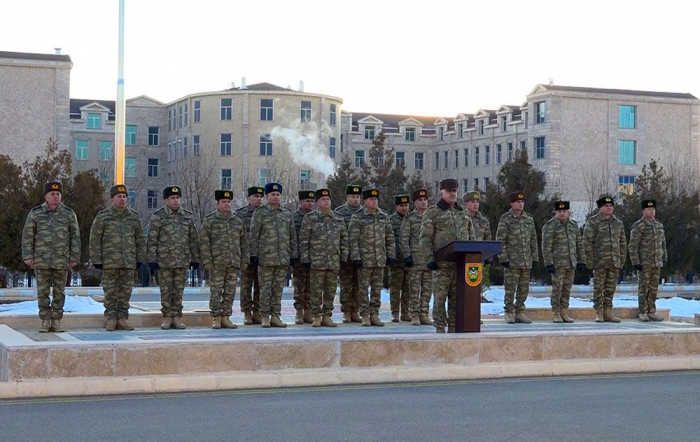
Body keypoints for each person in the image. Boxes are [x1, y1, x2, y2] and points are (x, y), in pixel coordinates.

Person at [21, 181, 80, 333]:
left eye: (58, 194)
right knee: (43, 291)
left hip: (62, 258)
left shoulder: (68, 213)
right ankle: (45, 320)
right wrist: (28, 255)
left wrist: (74, 256)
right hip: (41, 259)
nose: (55, 196)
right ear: (46, 196)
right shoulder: (36, 213)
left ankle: (57, 320)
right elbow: (28, 235)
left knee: (60, 291)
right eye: (52, 194)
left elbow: (75, 236)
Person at [419, 179, 474, 333]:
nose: (452, 194)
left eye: (455, 191)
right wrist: (429, 259)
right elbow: (425, 238)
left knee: (457, 299)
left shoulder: (462, 212)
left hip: (460, 264)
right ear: (441, 192)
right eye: (449, 191)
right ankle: (440, 328)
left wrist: (473, 256)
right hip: (441, 264)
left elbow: (471, 236)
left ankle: (454, 326)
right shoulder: (433, 212)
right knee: (440, 298)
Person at [89, 185, 146, 331]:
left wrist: (140, 258)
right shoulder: (103, 216)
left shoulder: (133, 217)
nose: (122, 199)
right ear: (112, 199)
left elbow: (139, 239)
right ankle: (111, 318)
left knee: (125, 291)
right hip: (109, 262)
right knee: (110, 291)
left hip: (128, 261)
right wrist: (97, 259)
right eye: (119, 196)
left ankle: (122, 318)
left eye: (124, 196)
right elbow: (95, 239)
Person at [147, 186, 200, 330]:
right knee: (166, 291)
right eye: (172, 198)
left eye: (177, 198)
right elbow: (152, 239)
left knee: (178, 291)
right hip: (164, 261)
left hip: (182, 260)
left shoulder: (187, 216)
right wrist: (152, 259)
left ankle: (177, 317)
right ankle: (167, 317)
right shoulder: (158, 216)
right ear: (166, 200)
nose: (176, 201)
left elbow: (193, 239)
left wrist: (195, 258)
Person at [299, 188, 348, 327]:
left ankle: (327, 315)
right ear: (317, 202)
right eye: (323, 199)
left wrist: (343, 257)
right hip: (316, 262)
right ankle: (316, 315)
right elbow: (304, 241)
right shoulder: (310, 218)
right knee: (315, 290)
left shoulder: (338, 218)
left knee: (330, 290)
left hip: (333, 261)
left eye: (328, 199)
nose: (326, 201)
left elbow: (344, 239)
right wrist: (305, 259)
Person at [250, 183, 297, 328]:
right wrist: (254, 254)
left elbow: (292, 236)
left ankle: (275, 316)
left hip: (282, 258)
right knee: (265, 289)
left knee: (277, 290)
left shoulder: (287, 213)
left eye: (278, 194)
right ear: (267, 196)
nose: (275, 197)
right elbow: (253, 235)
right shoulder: (260, 213)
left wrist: (293, 254)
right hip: (266, 258)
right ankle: (264, 316)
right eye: (272, 194)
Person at [200, 190, 248, 329]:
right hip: (217, 264)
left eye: (228, 202)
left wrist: (244, 260)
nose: (226, 204)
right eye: (223, 202)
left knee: (230, 292)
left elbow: (244, 242)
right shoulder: (210, 221)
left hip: (233, 262)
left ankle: (226, 316)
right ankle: (216, 317)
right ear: (217, 204)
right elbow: (204, 242)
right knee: (216, 291)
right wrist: (207, 261)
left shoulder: (237, 221)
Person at [349, 188, 395, 326]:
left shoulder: (383, 216)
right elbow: (353, 239)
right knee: (363, 289)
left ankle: (374, 314)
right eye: (371, 199)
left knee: (377, 289)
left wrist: (390, 254)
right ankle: (364, 314)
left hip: (379, 259)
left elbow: (389, 237)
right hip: (364, 260)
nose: (374, 201)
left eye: (376, 199)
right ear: (365, 201)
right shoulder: (357, 217)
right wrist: (355, 257)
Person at [496, 191, 539, 324]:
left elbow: (533, 239)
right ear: (512, 204)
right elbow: (501, 239)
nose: (520, 204)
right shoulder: (506, 219)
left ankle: (520, 312)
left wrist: (535, 257)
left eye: (522, 202)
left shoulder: (528, 219)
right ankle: (509, 312)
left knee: (523, 288)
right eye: (517, 202)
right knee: (510, 288)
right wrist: (503, 258)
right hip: (512, 260)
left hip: (526, 260)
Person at [583, 195, 627, 323]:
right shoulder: (593, 222)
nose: (609, 208)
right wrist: (590, 260)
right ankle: (599, 312)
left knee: (610, 288)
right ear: (600, 208)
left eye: (611, 206)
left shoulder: (618, 223)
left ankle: (608, 311)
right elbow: (587, 242)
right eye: (606, 206)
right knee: (598, 288)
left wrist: (622, 259)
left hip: (614, 261)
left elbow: (622, 242)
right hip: (599, 261)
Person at [541, 200, 585, 323]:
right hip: (557, 264)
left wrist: (581, 260)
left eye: (564, 211)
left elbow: (579, 244)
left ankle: (564, 311)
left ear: (568, 212)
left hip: (571, 263)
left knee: (567, 289)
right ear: (556, 212)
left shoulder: (573, 225)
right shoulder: (550, 226)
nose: (562, 213)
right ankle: (556, 312)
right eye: (559, 211)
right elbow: (546, 246)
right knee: (557, 289)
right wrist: (548, 262)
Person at [629, 199, 667, 322]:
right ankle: (643, 312)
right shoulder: (638, 226)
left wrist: (664, 258)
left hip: (656, 262)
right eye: (649, 209)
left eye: (653, 209)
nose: (652, 211)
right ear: (643, 211)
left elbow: (663, 243)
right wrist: (635, 261)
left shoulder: (659, 225)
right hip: (644, 263)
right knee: (643, 288)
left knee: (653, 289)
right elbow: (633, 245)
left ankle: (652, 311)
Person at [400, 188, 433, 326]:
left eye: (425, 199)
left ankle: (424, 314)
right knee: (414, 289)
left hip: (429, 260)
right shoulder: (410, 218)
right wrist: (407, 255)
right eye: (420, 200)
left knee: (427, 289)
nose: (423, 202)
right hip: (415, 260)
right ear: (414, 203)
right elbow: (404, 238)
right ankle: (414, 314)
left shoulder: (431, 217)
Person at [334, 184, 364, 323]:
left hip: (361, 255)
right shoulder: (339, 213)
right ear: (347, 197)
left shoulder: (365, 212)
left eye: (358, 197)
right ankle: (346, 311)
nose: (356, 199)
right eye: (353, 196)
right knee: (346, 284)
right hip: (345, 255)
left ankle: (355, 311)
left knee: (358, 284)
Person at [236, 186, 264, 325]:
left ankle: (257, 311)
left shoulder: (266, 213)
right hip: (246, 256)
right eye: (256, 196)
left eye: (260, 197)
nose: (259, 199)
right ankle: (247, 312)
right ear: (249, 198)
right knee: (246, 286)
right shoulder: (240, 214)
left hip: (262, 256)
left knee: (260, 285)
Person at [463, 190, 492, 307]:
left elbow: (488, 238)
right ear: (465, 204)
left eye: (477, 202)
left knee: (475, 289)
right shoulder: (460, 218)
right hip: (462, 259)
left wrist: (488, 257)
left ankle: (473, 315)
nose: (475, 204)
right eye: (472, 202)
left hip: (478, 260)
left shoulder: (483, 220)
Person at [292, 190, 315, 324]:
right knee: (299, 286)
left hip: (314, 258)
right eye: (307, 201)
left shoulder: (316, 217)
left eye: (312, 201)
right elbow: (292, 237)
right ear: (301, 202)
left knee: (311, 286)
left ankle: (308, 312)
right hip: (299, 258)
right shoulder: (294, 218)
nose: (310, 203)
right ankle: (299, 312)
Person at [389, 194, 411, 322]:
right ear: (396, 206)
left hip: (409, 260)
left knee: (407, 288)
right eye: (401, 206)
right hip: (396, 260)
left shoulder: (412, 219)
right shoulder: (391, 220)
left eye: (406, 205)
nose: (404, 208)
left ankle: (406, 312)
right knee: (395, 288)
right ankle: (395, 312)